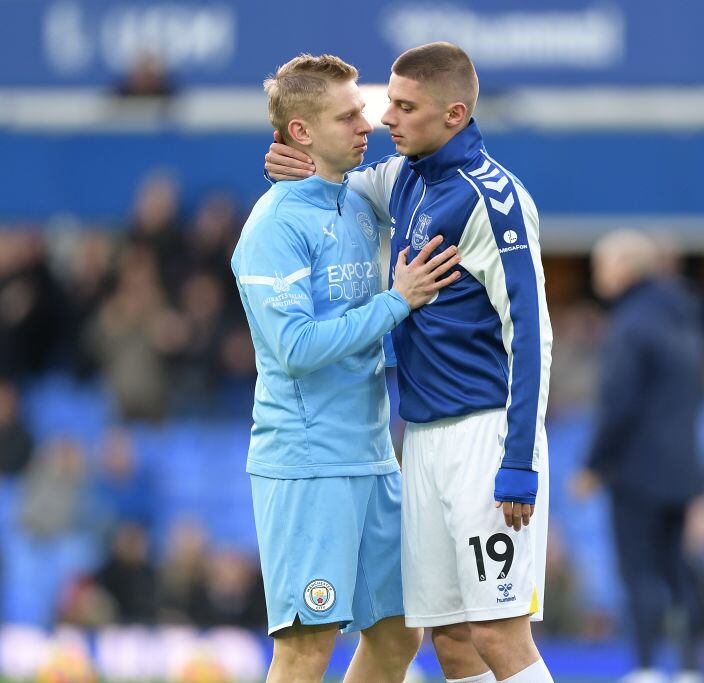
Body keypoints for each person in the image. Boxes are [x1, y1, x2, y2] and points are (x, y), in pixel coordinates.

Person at [266, 42, 554, 683]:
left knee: (498, 632)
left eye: (404, 107)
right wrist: (294, 158)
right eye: (386, 103)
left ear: (454, 114)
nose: (384, 119)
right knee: (451, 639)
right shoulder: (402, 177)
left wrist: (519, 461)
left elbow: (531, 334)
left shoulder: (493, 200)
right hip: (420, 439)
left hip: (485, 435)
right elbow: (331, 178)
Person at [234, 53, 461, 683]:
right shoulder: (272, 227)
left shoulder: (358, 198)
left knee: (397, 636)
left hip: (373, 456)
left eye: (363, 111)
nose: (368, 125)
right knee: (306, 647)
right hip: (309, 463)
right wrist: (397, 300)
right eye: (348, 116)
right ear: (300, 132)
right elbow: (296, 348)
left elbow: (429, 164)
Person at [572, 230, 704, 683]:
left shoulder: (630, 322)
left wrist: (593, 465)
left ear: (626, 268)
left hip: (636, 470)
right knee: (678, 569)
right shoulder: (683, 316)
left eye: (602, 264)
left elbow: (618, 404)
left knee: (639, 570)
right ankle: (689, 668)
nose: (597, 274)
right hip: (682, 466)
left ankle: (646, 667)